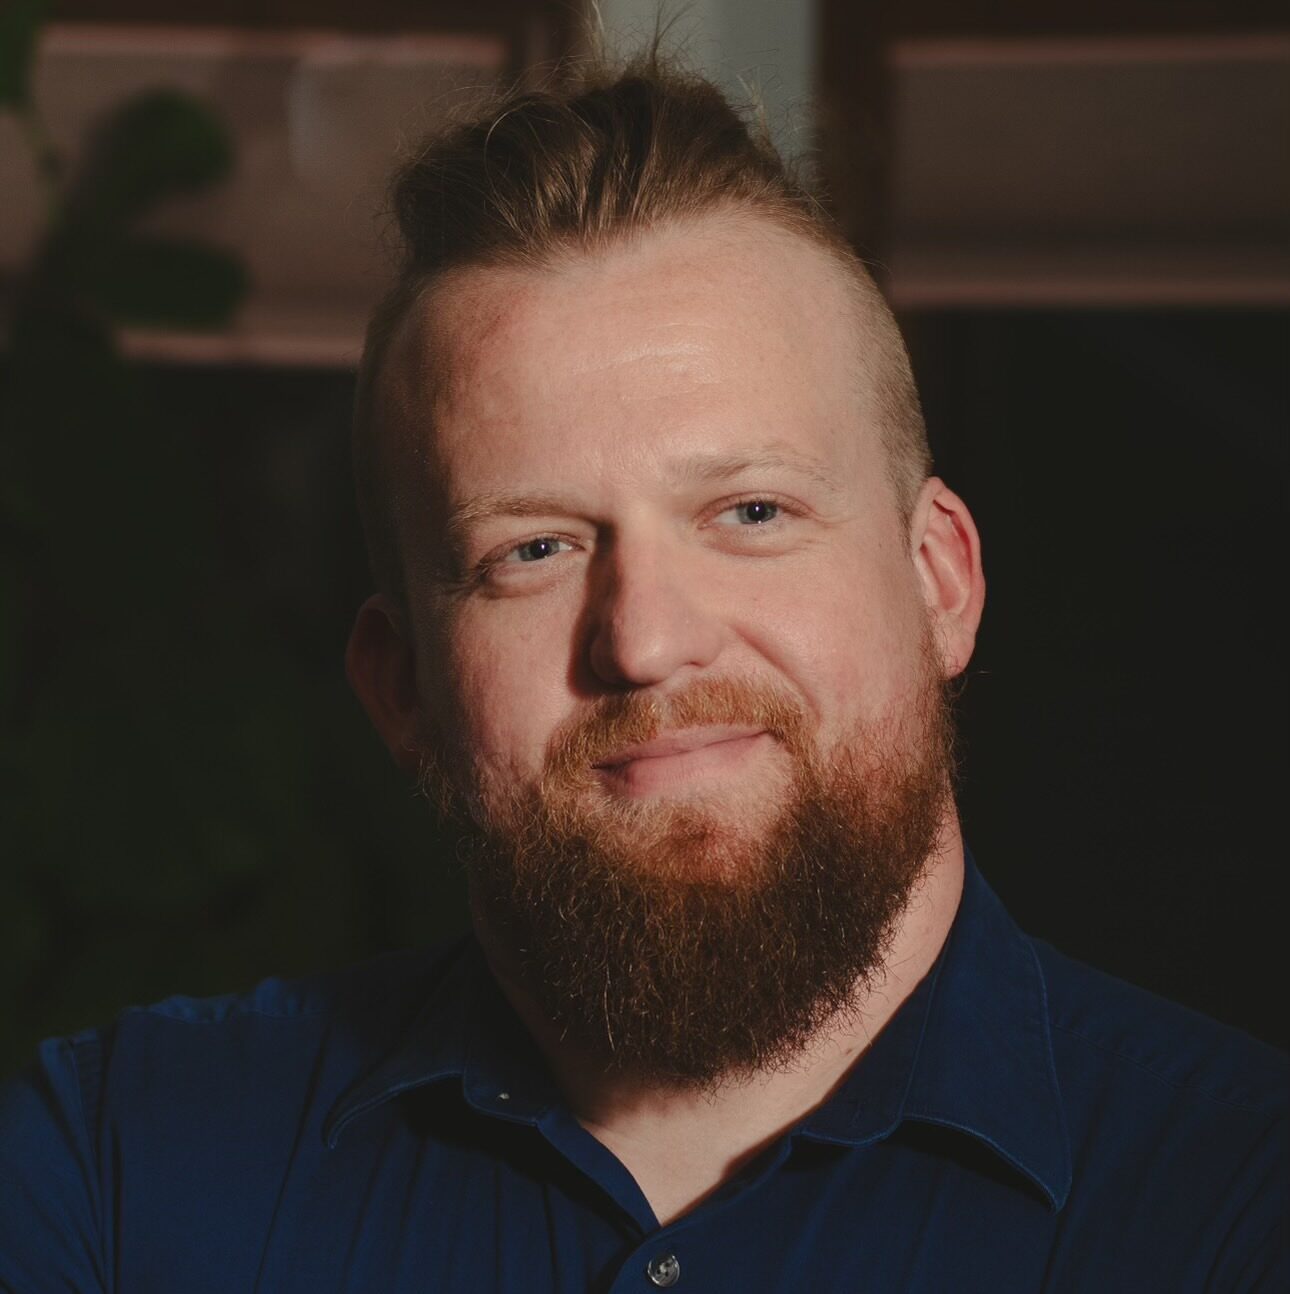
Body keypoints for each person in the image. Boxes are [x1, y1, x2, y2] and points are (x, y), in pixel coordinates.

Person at [1, 54, 1285, 1293]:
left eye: (753, 512)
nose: (648, 639)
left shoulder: (1243, 1201)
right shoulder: (113, 1166)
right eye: (536, 548)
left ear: (941, 580)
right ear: (400, 690)